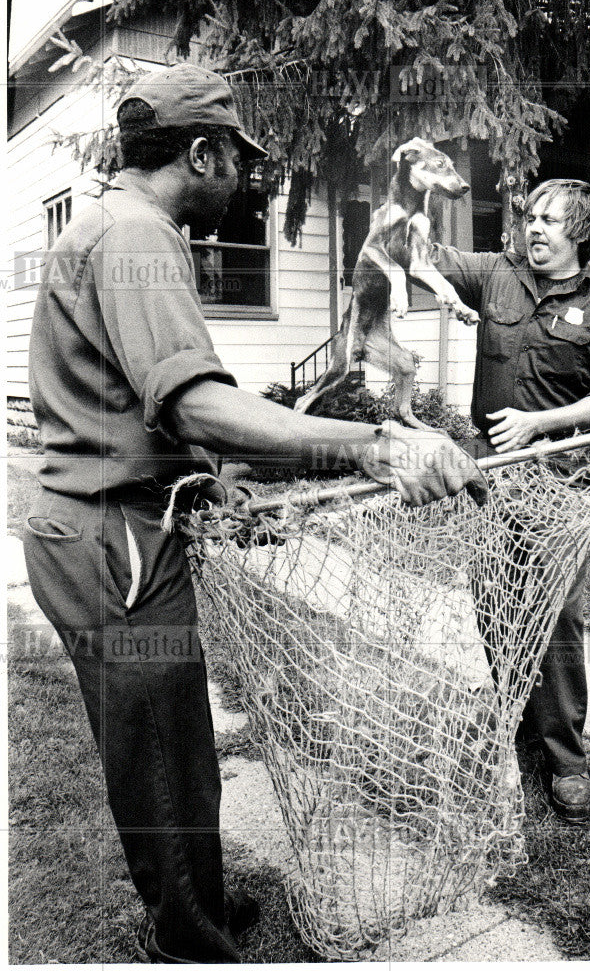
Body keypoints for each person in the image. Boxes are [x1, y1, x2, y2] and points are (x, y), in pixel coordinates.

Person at [22, 63, 487, 963]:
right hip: (112, 544)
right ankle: (190, 943)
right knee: (158, 752)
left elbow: (133, 405)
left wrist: (214, 480)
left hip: (120, 527)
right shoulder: (136, 238)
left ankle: (193, 909)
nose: (247, 177)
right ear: (200, 153)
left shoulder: (120, 225)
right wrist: (371, 445)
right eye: (236, 159)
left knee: (177, 740)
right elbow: (193, 400)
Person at [429, 178, 590, 822]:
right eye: (530, 218)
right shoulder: (496, 276)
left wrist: (537, 423)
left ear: (580, 233)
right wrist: (407, 186)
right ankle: (516, 718)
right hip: (489, 482)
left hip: (561, 485)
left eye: (551, 221)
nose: (534, 229)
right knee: (493, 605)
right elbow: (419, 256)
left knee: (554, 620)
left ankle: (566, 757)